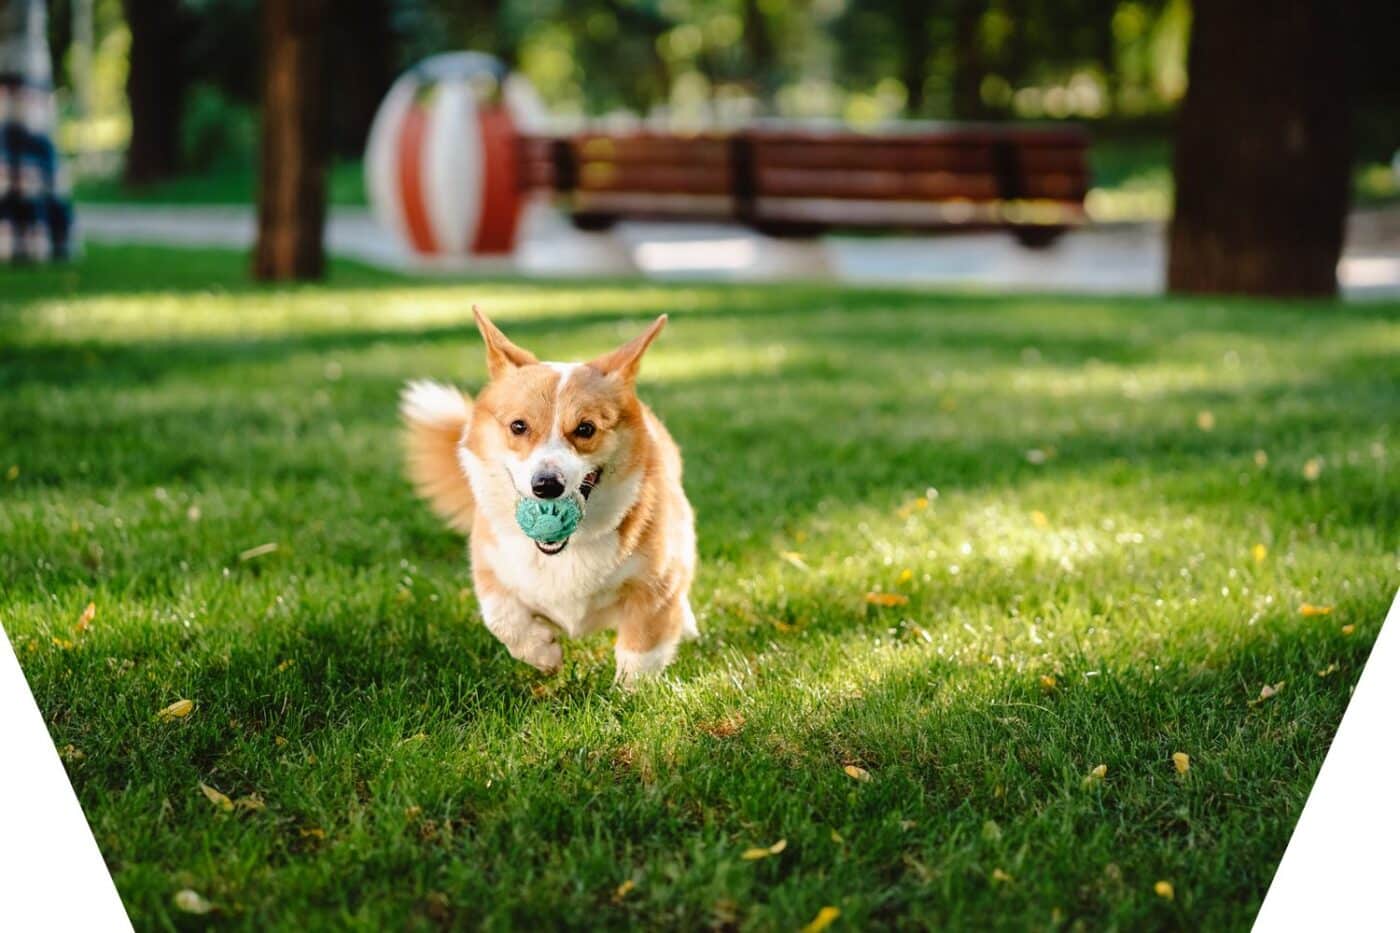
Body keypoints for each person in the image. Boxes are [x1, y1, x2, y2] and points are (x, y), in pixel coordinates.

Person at [0, 0, 75, 262]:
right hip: (16, 60)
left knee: (26, 153)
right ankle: (21, 242)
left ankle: (31, 241)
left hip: (21, 61)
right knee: (17, 155)